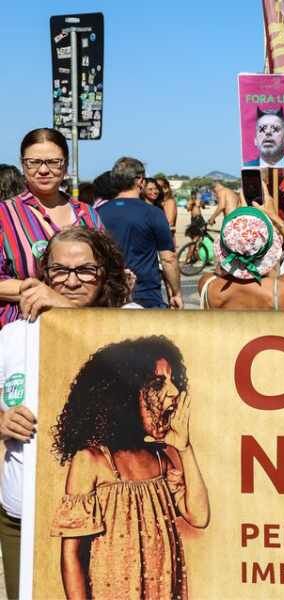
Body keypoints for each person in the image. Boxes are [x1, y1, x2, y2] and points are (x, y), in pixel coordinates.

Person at [0, 228, 132, 597]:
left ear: (104, 272)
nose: (72, 281)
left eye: (85, 270)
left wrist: (64, 309)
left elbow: (115, 365)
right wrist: (1, 421)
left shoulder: (133, 320)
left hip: (106, 523)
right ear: (44, 273)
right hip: (21, 513)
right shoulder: (13, 334)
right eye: (59, 270)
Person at [50, 336, 209, 598]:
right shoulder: (91, 460)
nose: (174, 392)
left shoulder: (159, 458)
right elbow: (72, 556)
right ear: (123, 393)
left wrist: (184, 447)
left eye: (173, 381)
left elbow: (199, 516)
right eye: (158, 383)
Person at [0, 128, 102, 328]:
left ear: (65, 165)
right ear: (23, 165)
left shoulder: (88, 214)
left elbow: (105, 268)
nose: (44, 170)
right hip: (23, 330)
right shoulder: (5, 215)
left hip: (82, 328)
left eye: (54, 162)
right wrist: (38, 291)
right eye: (34, 162)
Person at [199, 178, 284, 310]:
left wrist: (239, 222)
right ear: (268, 250)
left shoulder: (207, 285)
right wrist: (273, 216)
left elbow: (221, 269)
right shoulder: (283, 291)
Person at [97, 157, 181, 309]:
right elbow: (168, 259)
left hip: (108, 294)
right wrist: (176, 293)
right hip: (145, 295)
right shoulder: (153, 213)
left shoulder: (96, 213)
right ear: (140, 181)